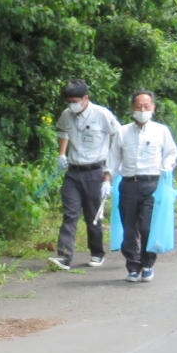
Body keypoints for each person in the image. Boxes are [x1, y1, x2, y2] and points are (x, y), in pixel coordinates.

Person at [48, 79, 122, 270]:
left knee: (93, 216)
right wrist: (62, 154)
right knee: (70, 214)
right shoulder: (66, 114)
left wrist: (112, 170)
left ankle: (97, 253)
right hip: (73, 172)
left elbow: (119, 137)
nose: (72, 105)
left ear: (85, 98)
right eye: (69, 101)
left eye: (75, 101)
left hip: (95, 171)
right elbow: (62, 132)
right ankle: (64, 257)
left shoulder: (102, 114)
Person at [109, 90, 177, 283]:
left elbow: (171, 153)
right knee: (129, 228)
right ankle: (133, 266)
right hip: (129, 184)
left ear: (153, 108)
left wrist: (167, 167)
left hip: (152, 185)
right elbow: (113, 159)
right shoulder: (123, 132)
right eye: (138, 106)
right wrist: (107, 181)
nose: (142, 110)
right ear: (133, 108)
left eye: (146, 106)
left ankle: (147, 264)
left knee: (147, 227)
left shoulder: (161, 131)